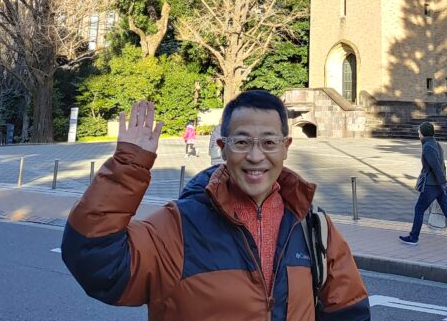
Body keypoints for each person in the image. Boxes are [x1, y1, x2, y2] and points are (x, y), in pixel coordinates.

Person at [62, 90, 370, 320]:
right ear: (222, 148)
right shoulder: (178, 225)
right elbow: (95, 262)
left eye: (269, 142)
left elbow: (349, 309)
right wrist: (128, 167)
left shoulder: (312, 226)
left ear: (286, 147)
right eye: (242, 142)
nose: (255, 156)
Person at [399, 122, 447, 249]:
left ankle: (413, 237)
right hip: (440, 185)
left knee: (419, 209)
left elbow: (436, 167)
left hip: (432, 185)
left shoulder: (428, 147)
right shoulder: (436, 144)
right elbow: (442, 165)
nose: (418, 134)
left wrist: (444, 183)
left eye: (419, 132)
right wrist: (444, 183)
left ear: (423, 133)